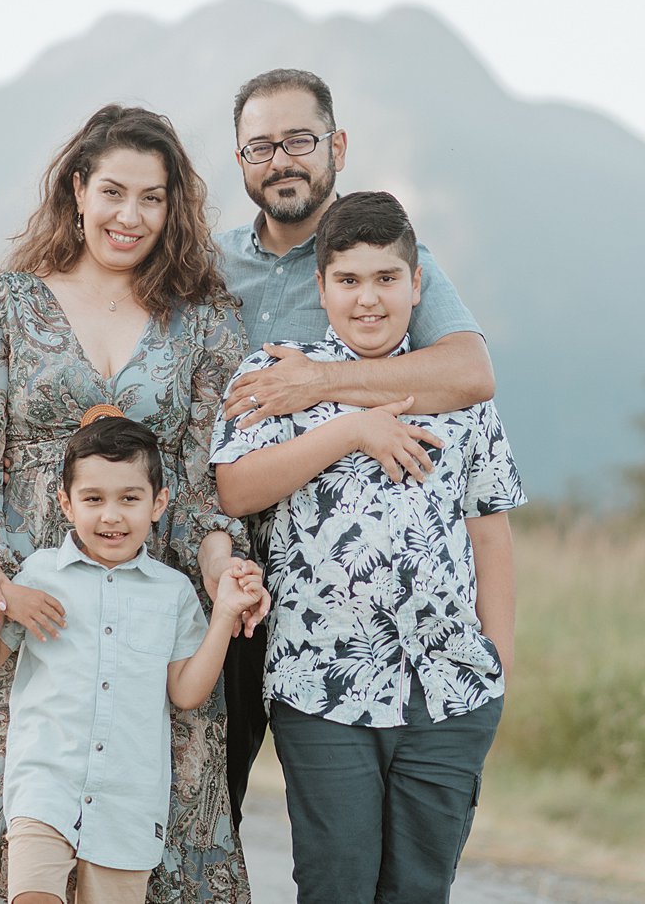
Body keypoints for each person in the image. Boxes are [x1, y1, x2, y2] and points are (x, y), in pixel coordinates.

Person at [0, 104, 268, 904]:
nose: (130, 216)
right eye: (114, 191)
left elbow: (207, 484)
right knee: (5, 831)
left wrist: (223, 570)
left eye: (153, 197)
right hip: (30, 598)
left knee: (144, 840)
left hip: (148, 609)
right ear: (77, 189)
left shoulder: (203, 321)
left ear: (175, 207)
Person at [209, 192, 524, 904]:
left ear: (418, 285)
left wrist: (495, 663)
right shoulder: (279, 373)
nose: (369, 299)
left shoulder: (455, 388)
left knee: (419, 889)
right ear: (320, 288)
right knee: (336, 883)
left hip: (448, 688)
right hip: (324, 684)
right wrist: (349, 429)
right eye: (348, 281)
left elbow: (489, 526)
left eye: (387, 278)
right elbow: (236, 489)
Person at [214, 68, 496, 823]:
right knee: (199, 808)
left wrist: (318, 386)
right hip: (220, 571)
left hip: (343, 604)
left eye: (300, 140)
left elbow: (469, 372)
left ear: (336, 145)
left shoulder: (387, 255)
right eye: (261, 146)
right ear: (239, 159)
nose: (282, 160)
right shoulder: (207, 266)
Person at [0, 410, 264, 904]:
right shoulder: (37, 575)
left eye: (129, 498)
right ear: (66, 502)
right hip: (45, 784)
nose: (111, 515)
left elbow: (186, 693)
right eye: (93, 499)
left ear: (158, 503)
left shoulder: (173, 592)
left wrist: (225, 613)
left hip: (129, 800)